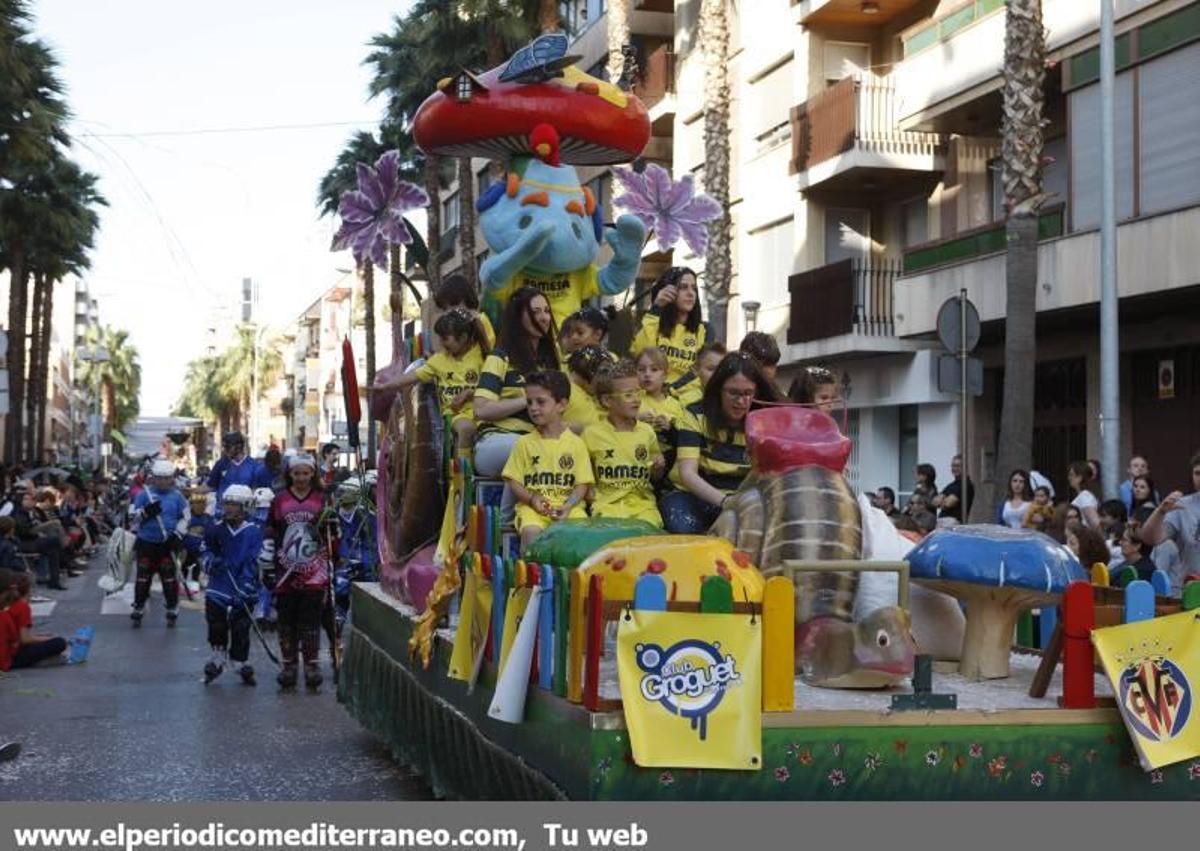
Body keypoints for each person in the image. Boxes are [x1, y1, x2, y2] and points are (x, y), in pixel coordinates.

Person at [661, 352, 780, 534]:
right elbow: (687, 474)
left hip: (743, 499)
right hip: (692, 495)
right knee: (682, 525)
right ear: (718, 389)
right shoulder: (694, 414)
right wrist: (726, 503)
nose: (741, 401)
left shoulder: (765, 421)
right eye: (733, 393)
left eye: (748, 394)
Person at [373, 308, 489, 459]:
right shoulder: (438, 361)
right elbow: (411, 376)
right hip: (456, 416)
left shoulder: (483, 357)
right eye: (440, 338)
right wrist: (386, 386)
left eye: (446, 338)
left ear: (463, 337)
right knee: (466, 428)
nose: (441, 342)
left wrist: (470, 393)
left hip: (486, 413)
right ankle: (461, 479)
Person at [472, 287, 561, 481]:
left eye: (547, 311)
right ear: (518, 318)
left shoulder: (553, 363)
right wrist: (529, 400)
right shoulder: (500, 357)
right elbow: (480, 410)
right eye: (535, 312)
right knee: (530, 448)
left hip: (540, 441)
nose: (544, 318)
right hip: (496, 440)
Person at [502, 370, 593, 552]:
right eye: (529, 402)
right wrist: (531, 499)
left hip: (570, 508)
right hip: (532, 510)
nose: (533, 408)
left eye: (541, 402)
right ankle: (530, 578)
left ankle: (569, 579)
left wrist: (568, 506)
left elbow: (582, 484)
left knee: (579, 534)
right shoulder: (523, 443)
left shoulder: (577, 444)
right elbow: (514, 481)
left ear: (561, 404)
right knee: (531, 533)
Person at [264, 454, 333, 690]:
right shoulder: (280, 500)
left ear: (312, 474)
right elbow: (271, 531)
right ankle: (289, 666)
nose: (301, 478)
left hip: (315, 572)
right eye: (297, 473)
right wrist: (266, 561)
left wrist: (335, 557)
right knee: (286, 621)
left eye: (306, 473)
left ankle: (312, 665)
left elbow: (331, 534)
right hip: (285, 571)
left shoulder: (322, 500)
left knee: (311, 620)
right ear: (289, 475)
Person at [584, 359, 664, 526]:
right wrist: (591, 495)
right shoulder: (592, 434)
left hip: (644, 508)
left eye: (638, 393)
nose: (636, 400)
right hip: (607, 506)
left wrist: (658, 466)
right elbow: (586, 477)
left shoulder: (647, 432)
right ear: (607, 401)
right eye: (628, 395)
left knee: (647, 540)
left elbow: (656, 476)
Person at [201, 485, 262, 686]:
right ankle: (217, 656)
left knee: (240, 627)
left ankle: (239, 660)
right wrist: (211, 561)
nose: (229, 508)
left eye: (234, 504)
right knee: (216, 623)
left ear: (245, 507)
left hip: (242, 587)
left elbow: (254, 561)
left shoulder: (253, 532)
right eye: (227, 503)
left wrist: (247, 587)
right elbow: (205, 549)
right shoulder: (215, 528)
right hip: (219, 585)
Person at [130, 459, 188, 628]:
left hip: (167, 544)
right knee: (142, 578)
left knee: (169, 578)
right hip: (146, 543)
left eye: (166, 478)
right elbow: (132, 519)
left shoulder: (178, 496)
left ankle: (172, 608)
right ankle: (138, 607)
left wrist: (177, 534)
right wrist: (145, 512)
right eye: (159, 478)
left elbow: (186, 517)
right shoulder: (142, 495)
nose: (163, 481)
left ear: (172, 478)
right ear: (153, 478)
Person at [630, 267, 707, 385]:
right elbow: (642, 356)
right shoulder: (653, 323)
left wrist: (675, 392)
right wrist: (656, 307)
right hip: (654, 396)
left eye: (694, 288)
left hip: (688, 398)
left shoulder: (701, 331)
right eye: (683, 287)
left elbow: (699, 374)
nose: (691, 293)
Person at [1138, 450, 1200, 595]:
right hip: (1192, 594)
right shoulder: (1183, 506)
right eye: (1197, 473)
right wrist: (1160, 511)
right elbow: (1150, 539)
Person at [3, 570, 68, 668]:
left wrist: (39, 637)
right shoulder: (22, 607)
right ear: (28, 590)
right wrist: (47, 639)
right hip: (12, 655)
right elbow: (24, 639)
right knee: (60, 642)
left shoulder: (10, 605)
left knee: (48, 642)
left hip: (10, 648)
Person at [634, 346, 684, 469]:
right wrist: (636, 419)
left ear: (665, 375)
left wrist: (669, 428)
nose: (647, 374)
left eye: (654, 369)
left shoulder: (676, 405)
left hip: (667, 464)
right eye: (641, 369)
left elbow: (682, 440)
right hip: (635, 459)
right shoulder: (633, 399)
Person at [433, 272, 496, 348]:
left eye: (454, 304)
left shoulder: (479, 320)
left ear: (466, 299)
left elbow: (488, 346)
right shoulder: (449, 326)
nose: (449, 311)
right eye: (445, 308)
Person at [206, 432, 271, 501]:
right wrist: (194, 490)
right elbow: (211, 486)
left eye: (227, 447)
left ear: (239, 446)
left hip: (245, 510)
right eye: (224, 447)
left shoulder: (254, 466)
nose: (224, 450)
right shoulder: (221, 464)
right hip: (221, 510)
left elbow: (258, 491)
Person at [564, 345, 611, 432]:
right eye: (603, 372)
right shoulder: (563, 390)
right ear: (589, 370)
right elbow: (546, 424)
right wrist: (584, 429)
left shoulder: (590, 394)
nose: (605, 380)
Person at [667, 342, 726, 408]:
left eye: (722, 369)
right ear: (697, 370)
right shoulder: (685, 402)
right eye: (711, 369)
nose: (717, 373)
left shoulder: (730, 402)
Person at [182, 489, 214, 584]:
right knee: (185, 565)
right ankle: (183, 583)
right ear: (191, 504)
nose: (199, 506)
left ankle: (195, 582)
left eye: (201, 503)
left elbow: (211, 534)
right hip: (186, 548)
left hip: (200, 548)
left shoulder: (208, 518)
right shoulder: (187, 517)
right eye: (196, 503)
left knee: (197, 566)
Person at [935, 455, 974, 524]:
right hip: (943, 522)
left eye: (958, 466)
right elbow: (935, 502)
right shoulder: (951, 485)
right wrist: (943, 501)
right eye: (953, 466)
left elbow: (948, 504)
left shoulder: (966, 485)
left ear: (965, 467)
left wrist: (943, 500)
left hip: (954, 524)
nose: (954, 468)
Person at [1066, 460, 1101, 528]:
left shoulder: (1085, 496)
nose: (1069, 478)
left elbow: (1095, 523)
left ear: (1080, 477)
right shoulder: (1083, 495)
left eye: (1071, 475)